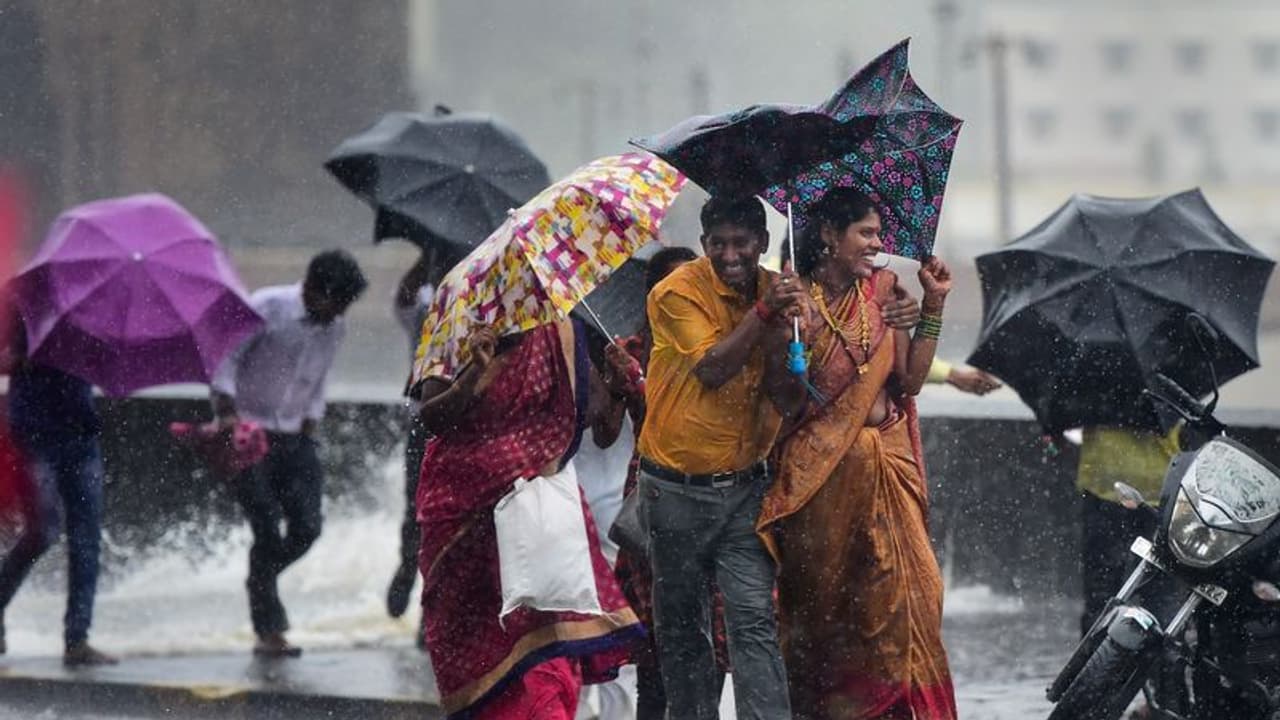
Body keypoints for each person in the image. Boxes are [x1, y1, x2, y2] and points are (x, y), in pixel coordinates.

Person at [757, 187, 957, 719]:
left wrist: (932, 305)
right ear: (829, 235)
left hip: (889, 466)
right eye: (865, 234)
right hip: (820, 478)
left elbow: (910, 381)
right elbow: (787, 402)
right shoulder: (795, 301)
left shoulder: (886, 291)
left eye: (877, 234)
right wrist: (792, 338)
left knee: (917, 596)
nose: (876, 244)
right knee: (825, 612)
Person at [413, 317, 643, 719]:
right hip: (463, 521)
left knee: (546, 655)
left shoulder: (562, 333)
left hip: (539, 521)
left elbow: (598, 427)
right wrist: (474, 375)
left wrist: (619, 388)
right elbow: (433, 419)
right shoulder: (454, 325)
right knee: (481, 659)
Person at [635, 195, 810, 720]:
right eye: (719, 244)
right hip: (674, 490)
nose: (730, 255)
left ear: (761, 244)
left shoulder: (777, 293)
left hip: (745, 490)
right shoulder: (675, 292)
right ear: (705, 243)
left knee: (754, 620)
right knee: (684, 631)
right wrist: (764, 313)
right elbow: (713, 368)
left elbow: (789, 400)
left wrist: (789, 332)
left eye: (742, 244)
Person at [210, 249, 367, 658]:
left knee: (308, 527)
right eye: (337, 302)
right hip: (248, 429)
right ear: (315, 288)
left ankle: (260, 579)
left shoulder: (335, 326)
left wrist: (313, 418)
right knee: (265, 525)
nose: (339, 314)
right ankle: (269, 629)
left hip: (296, 435)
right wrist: (226, 412)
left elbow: (319, 375)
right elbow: (226, 357)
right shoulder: (267, 306)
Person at [0, 311, 117, 666]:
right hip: (32, 438)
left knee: (86, 539)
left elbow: (106, 366)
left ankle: (77, 638)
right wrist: (24, 355)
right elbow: (5, 360)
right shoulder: (27, 310)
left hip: (81, 437)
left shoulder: (98, 317)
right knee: (43, 531)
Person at [386, 248, 445, 628]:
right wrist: (429, 250)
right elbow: (404, 297)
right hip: (424, 424)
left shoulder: (484, 314)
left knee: (447, 518)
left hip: (462, 426)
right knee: (417, 510)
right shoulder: (428, 309)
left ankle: (432, 610)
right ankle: (408, 566)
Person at [1076, 424, 1181, 635]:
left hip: (1106, 484)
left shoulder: (1093, 395)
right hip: (1161, 487)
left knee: (1103, 593)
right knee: (1161, 596)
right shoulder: (1165, 398)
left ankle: (1096, 655)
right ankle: (1159, 657)